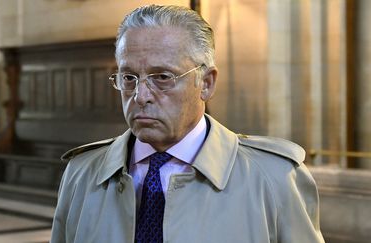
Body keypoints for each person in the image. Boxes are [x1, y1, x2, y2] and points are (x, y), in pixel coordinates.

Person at [50, 4, 325, 243]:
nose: (141, 96)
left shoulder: (273, 177)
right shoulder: (81, 173)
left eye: (162, 77)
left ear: (206, 83)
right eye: (129, 77)